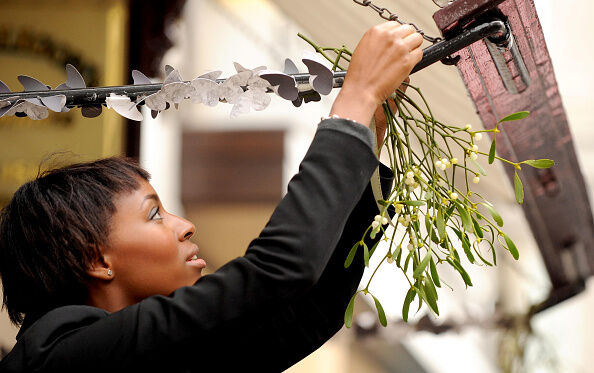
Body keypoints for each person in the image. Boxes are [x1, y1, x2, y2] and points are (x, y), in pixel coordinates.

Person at [0, 22, 423, 372]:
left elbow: (308, 312)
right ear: (96, 260)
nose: (185, 225)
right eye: (154, 216)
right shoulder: (58, 359)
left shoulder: (136, 353)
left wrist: (370, 125)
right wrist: (355, 102)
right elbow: (279, 269)